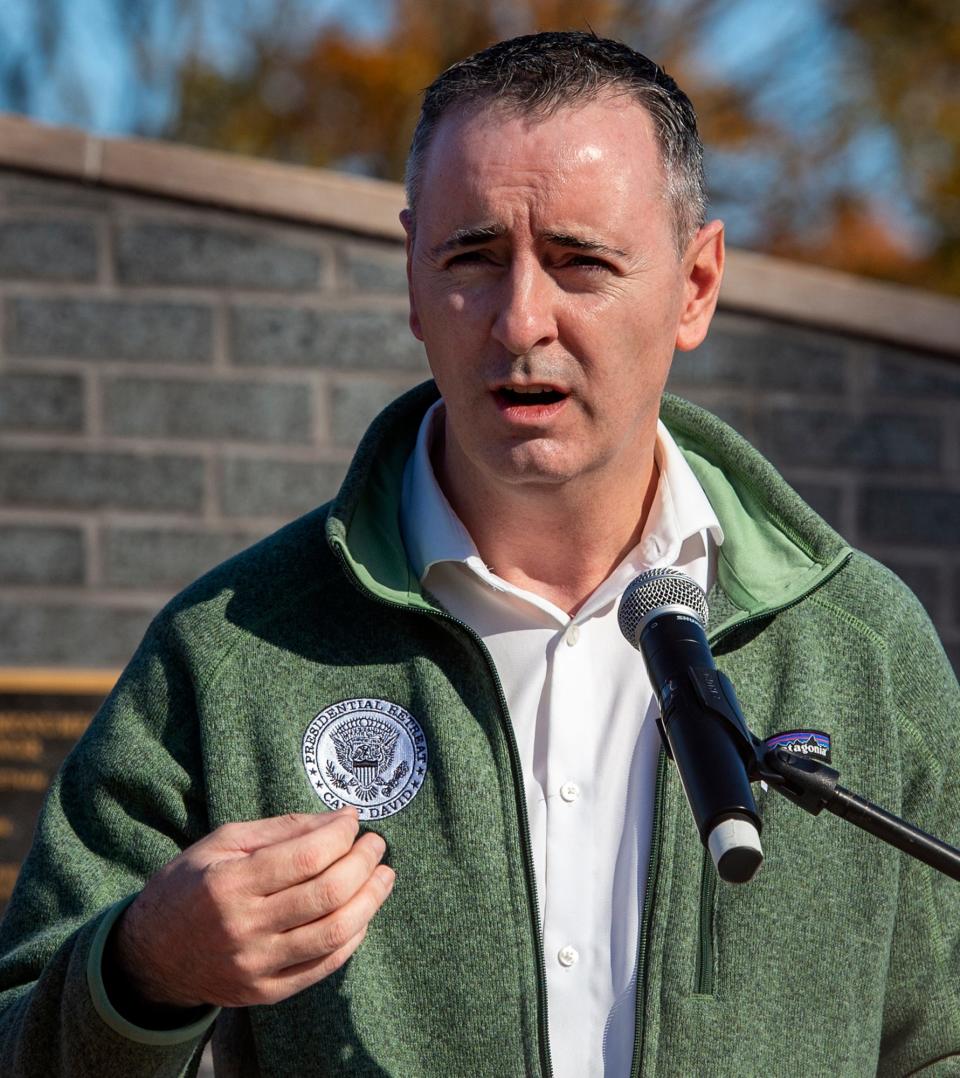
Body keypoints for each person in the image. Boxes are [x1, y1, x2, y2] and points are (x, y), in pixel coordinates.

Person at [0, 29, 957, 1078]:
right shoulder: (228, 652)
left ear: (695, 284)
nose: (520, 319)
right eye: (472, 257)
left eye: (581, 260)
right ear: (412, 278)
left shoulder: (862, 648)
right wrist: (142, 970)